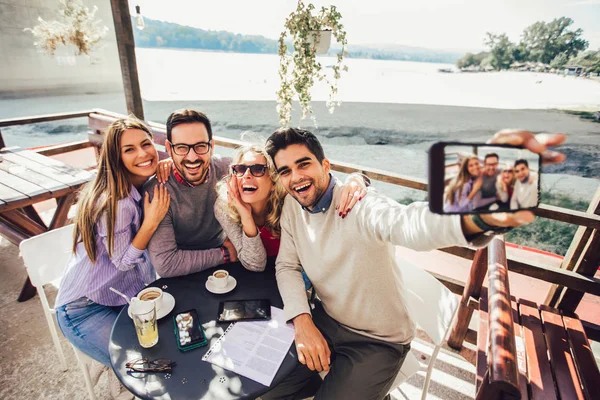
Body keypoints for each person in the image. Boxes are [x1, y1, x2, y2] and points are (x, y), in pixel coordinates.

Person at [261, 127, 565, 400]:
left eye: (304, 164)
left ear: (325, 165)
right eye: (285, 171)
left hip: (377, 342)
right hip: (324, 322)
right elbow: (287, 266)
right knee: (262, 387)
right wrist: (302, 321)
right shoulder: (291, 205)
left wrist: (477, 208)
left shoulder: (359, 204)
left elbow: (408, 223)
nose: (296, 177)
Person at [55, 117, 171, 400]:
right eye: (129, 149)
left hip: (121, 298)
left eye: (146, 144)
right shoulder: (116, 203)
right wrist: (151, 223)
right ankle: (117, 375)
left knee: (166, 348)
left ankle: (114, 366)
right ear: (115, 157)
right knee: (150, 371)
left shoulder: (135, 184)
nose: (143, 153)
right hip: (83, 309)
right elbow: (123, 262)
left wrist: (167, 163)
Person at [214, 142, 368, 272]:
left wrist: (356, 180)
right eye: (240, 169)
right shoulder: (225, 206)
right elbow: (255, 264)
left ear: (274, 182)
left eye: (258, 169)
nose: (247, 175)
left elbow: (323, 183)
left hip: (295, 271)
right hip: (254, 280)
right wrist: (246, 216)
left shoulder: (289, 200)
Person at [145, 109, 240, 278]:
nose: (192, 157)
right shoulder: (157, 192)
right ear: (169, 148)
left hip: (226, 267)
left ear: (211, 146)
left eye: (200, 146)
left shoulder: (229, 170)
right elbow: (166, 264)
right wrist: (224, 254)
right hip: (182, 273)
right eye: (181, 148)